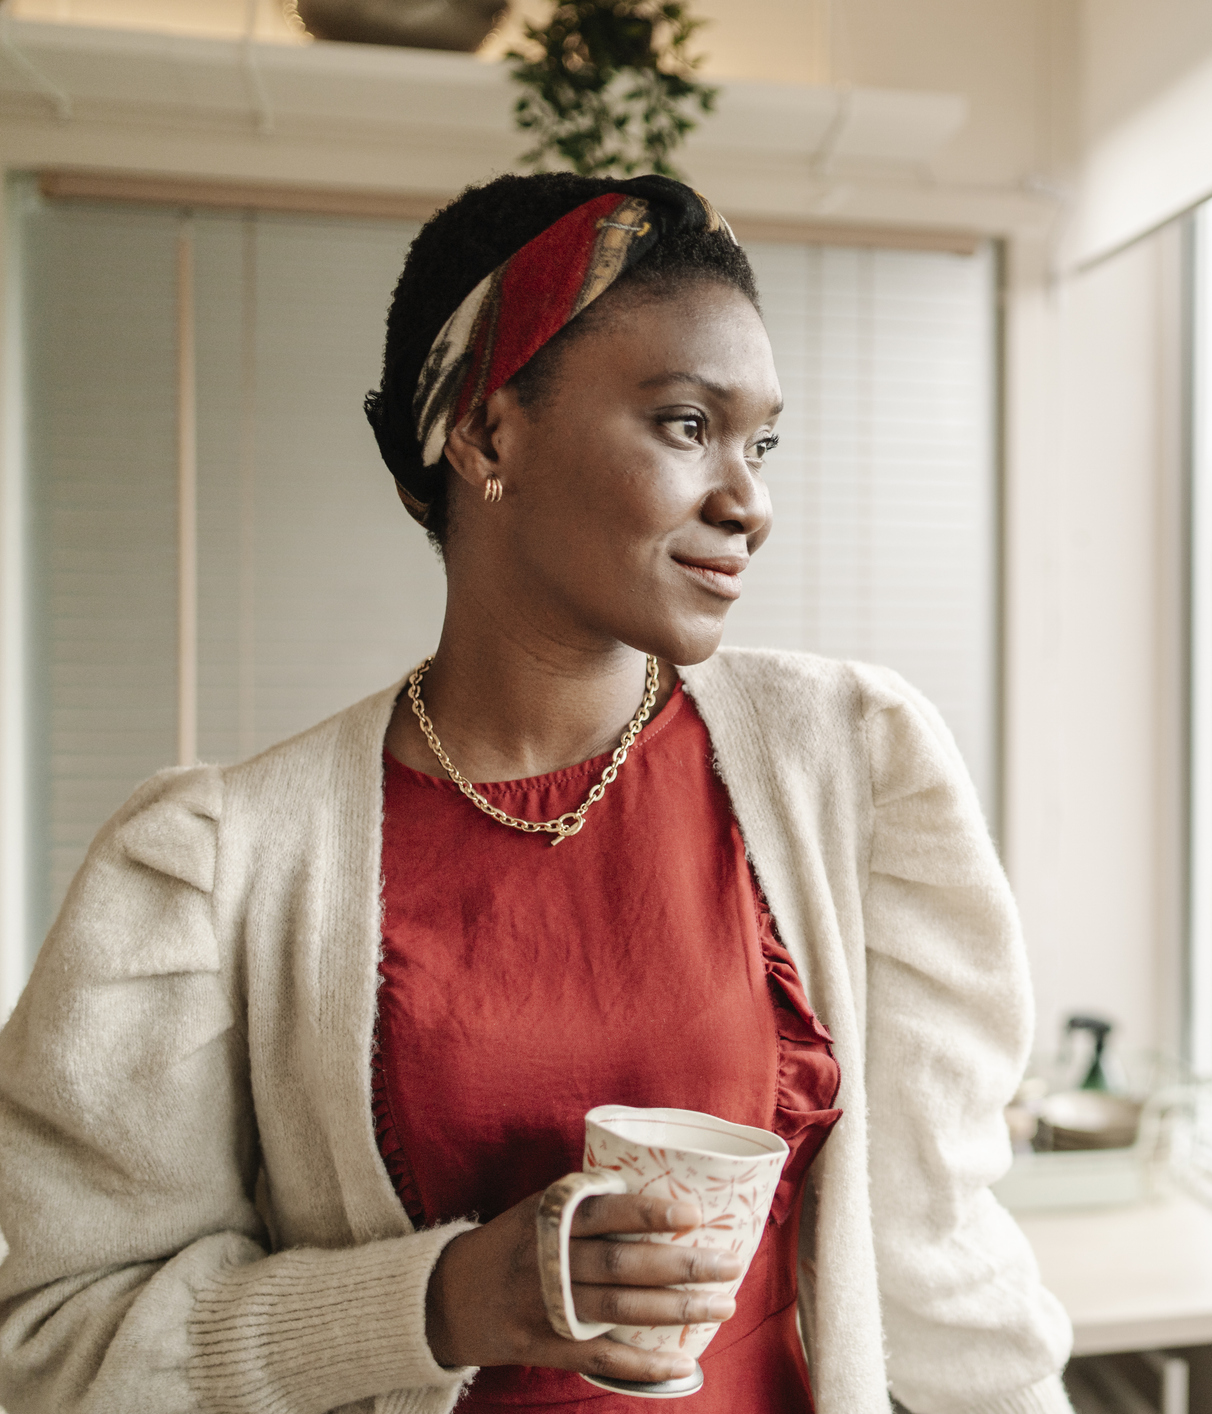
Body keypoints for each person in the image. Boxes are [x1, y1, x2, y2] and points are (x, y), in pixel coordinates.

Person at [0, 173, 1072, 1414]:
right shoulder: (215, 867)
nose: (751, 501)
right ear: (486, 433)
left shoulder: (849, 766)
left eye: (761, 440)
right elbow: (62, 1348)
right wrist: (449, 1298)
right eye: (686, 424)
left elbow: (941, 1271)